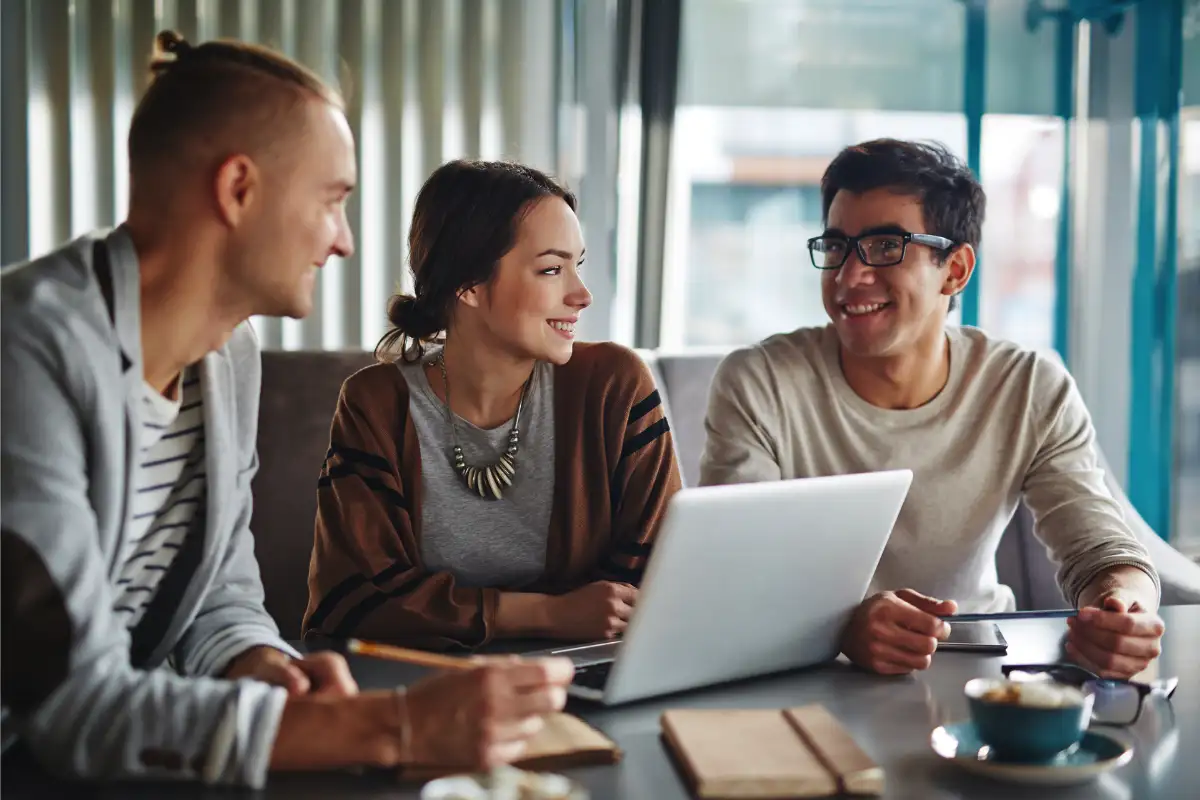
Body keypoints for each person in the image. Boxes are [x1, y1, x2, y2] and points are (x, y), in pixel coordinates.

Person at [1, 32, 572, 787]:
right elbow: (67, 701)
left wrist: (262, 665)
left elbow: (220, 598)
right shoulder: (25, 351)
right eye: (332, 200)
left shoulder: (228, 355)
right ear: (238, 190)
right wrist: (391, 725)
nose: (343, 241)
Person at [700, 139, 1164, 680]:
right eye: (837, 247)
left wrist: (1123, 609)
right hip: (809, 673)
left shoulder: (1027, 387)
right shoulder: (760, 383)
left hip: (984, 674)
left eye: (884, 247)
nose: (850, 277)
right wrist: (840, 626)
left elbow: (1100, 548)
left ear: (956, 270)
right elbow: (732, 575)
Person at [303, 159, 682, 649]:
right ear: (469, 285)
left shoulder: (614, 386)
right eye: (551, 269)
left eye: (577, 265)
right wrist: (549, 613)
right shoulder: (375, 405)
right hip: (429, 685)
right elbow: (351, 601)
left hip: (584, 673)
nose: (581, 295)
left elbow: (657, 579)